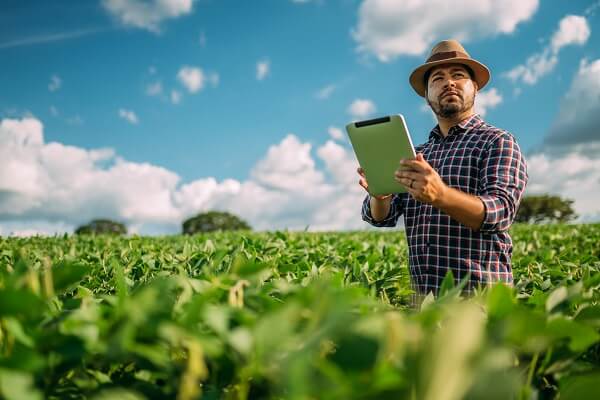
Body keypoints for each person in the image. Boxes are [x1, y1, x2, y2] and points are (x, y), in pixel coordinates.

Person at [358, 39, 528, 302]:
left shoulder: (498, 141)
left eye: (458, 75)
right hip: (424, 303)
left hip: (480, 303)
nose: (448, 83)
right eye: (437, 79)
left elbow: (501, 211)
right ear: (427, 96)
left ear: (475, 88)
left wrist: (440, 194)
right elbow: (382, 217)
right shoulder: (415, 154)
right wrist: (379, 194)